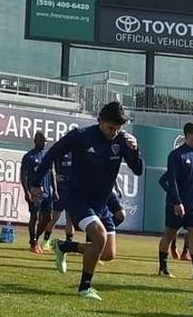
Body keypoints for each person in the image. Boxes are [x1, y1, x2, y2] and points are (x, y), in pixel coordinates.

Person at [33, 102, 144, 301]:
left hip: (101, 203)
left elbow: (138, 169)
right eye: (111, 127)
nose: (114, 132)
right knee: (99, 238)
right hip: (78, 198)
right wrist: (35, 182)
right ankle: (85, 287)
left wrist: (135, 150)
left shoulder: (121, 140)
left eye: (118, 128)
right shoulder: (81, 136)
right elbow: (52, 154)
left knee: (108, 253)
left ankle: (64, 247)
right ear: (100, 121)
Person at [158, 123, 193, 281]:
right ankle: (163, 268)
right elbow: (171, 180)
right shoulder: (176, 155)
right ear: (188, 135)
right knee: (169, 235)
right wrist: (177, 202)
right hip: (177, 205)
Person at [20, 132, 54, 254]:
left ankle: (35, 238)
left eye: (46, 140)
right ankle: (33, 242)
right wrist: (26, 191)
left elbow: (52, 173)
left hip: (47, 191)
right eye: (43, 140)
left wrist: (54, 190)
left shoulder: (47, 155)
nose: (45, 143)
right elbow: (23, 175)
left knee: (47, 217)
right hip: (35, 190)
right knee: (34, 216)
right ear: (36, 140)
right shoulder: (29, 156)